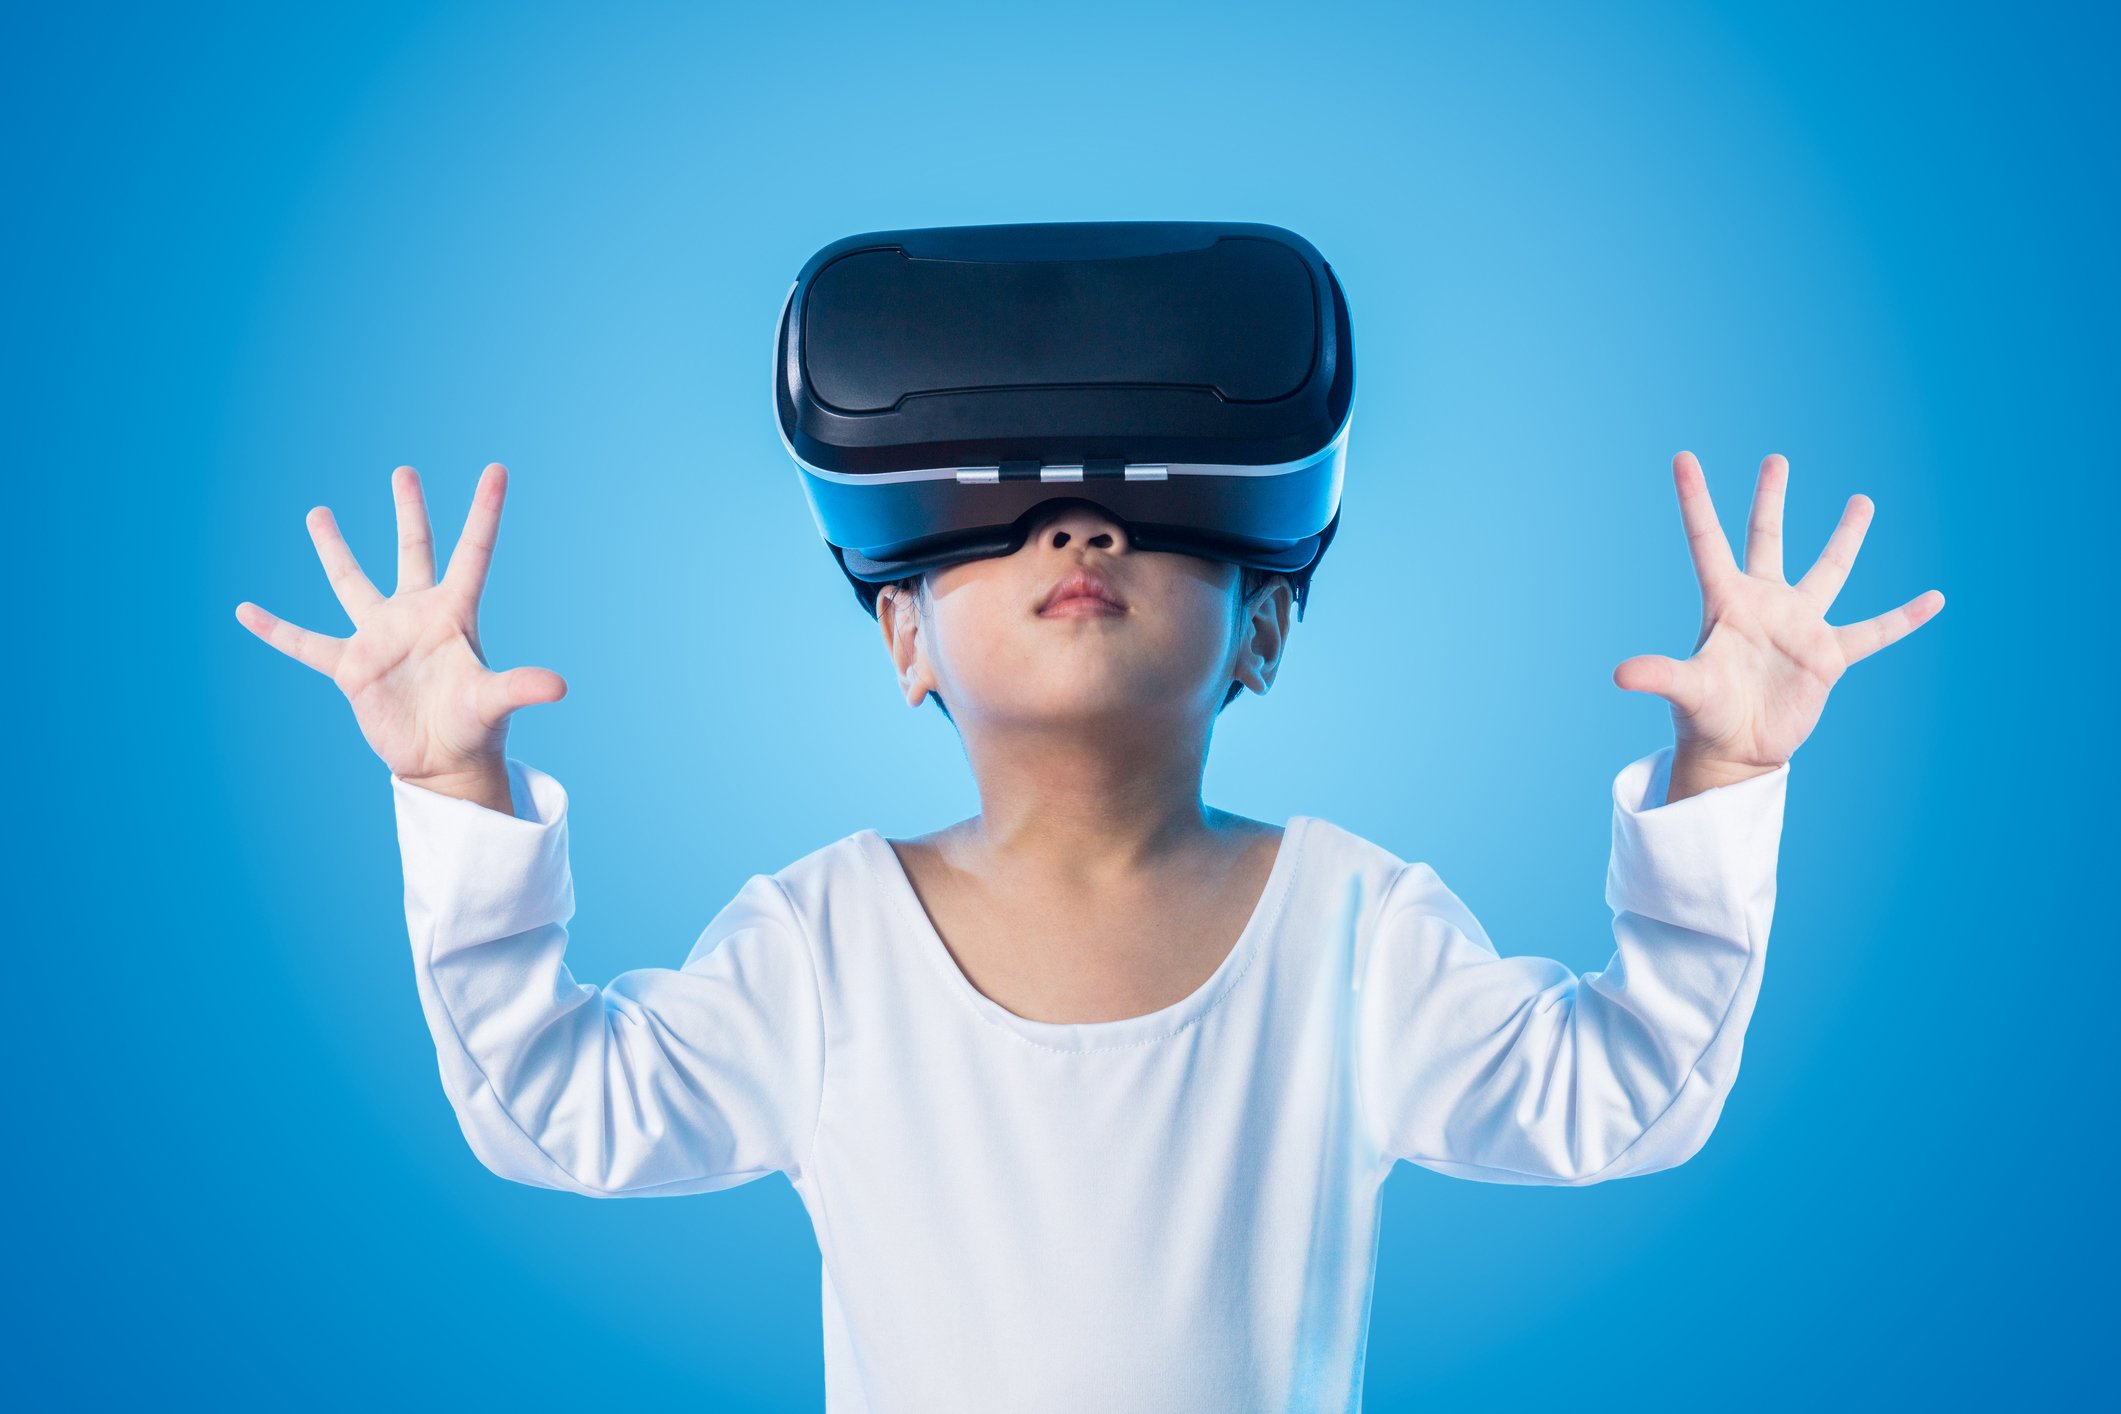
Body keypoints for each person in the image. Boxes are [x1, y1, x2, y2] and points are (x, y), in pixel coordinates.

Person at [233, 453, 1943, 1412]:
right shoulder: (823, 939)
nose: (1078, 520)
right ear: (901, 637)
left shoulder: (1353, 924)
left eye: (1142, 496)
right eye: (1009, 504)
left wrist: (1727, 760)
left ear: (1261, 629)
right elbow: (552, 1105)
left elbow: (1624, 1091)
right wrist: (456, 776)